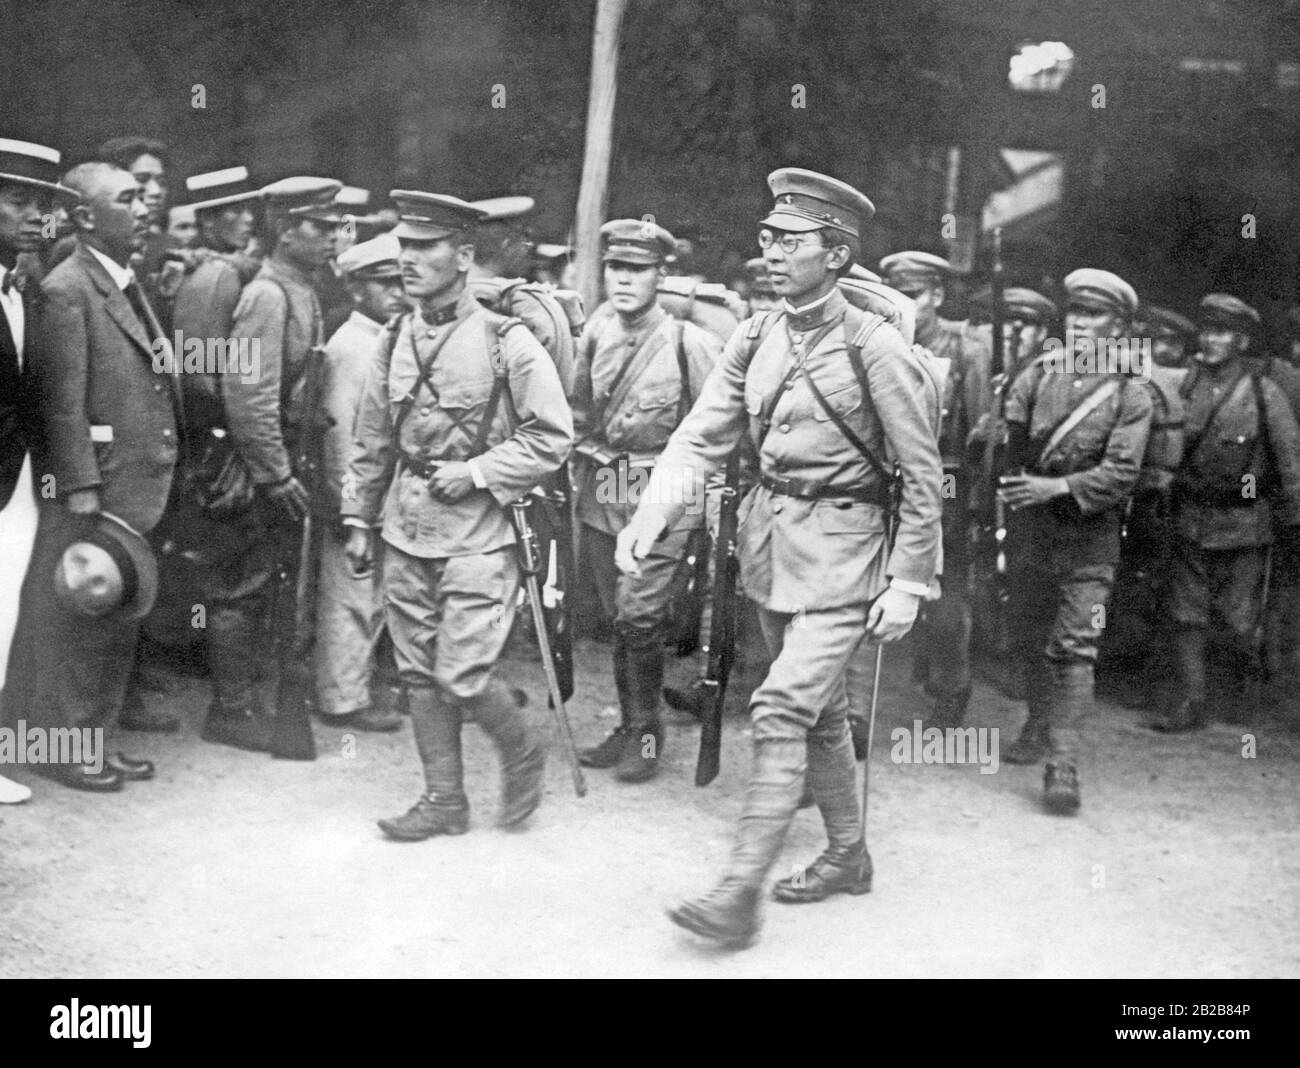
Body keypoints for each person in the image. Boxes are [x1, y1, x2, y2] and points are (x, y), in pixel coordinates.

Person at [616, 168, 942, 947]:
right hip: (769, 546)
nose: (769, 253)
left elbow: (925, 474)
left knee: (780, 706)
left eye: (788, 241)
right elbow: (700, 433)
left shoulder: (877, 347)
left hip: (848, 551)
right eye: (765, 238)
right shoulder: (758, 333)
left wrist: (909, 581)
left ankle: (737, 894)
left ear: (836, 253)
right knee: (822, 714)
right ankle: (848, 854)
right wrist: (652, 513)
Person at [342, 190, 573, 840]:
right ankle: (444, 799)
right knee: (418, 674)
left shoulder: (505, 340)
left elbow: (552, 437)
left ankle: (523, 749)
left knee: (463, 675)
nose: (408, 261)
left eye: (424, 248)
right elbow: (371, 439)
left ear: (464, 256)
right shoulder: (395, 336)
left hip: (477, 537)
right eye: (404, 247)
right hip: (405, 529)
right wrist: (359, 519)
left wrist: (476, 472)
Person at [6, 160, 179, 791]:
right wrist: (79, 483)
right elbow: (60, 400)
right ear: (83, 217)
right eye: (128, 198)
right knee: (82, 618)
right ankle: (69, 744)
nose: (144, 209)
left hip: (134, 481)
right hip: (99, 485)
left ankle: (96, 739)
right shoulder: (68, 287)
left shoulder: (121, 281)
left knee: (114, 620)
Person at [571, 218, 720, 783]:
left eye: (638, 270)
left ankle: (649, 732)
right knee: (618, 618)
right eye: (616, 267)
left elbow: (715, 431)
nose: (624, 280)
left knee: (639, 616)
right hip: (606, 490)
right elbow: (580, 413)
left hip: (666, 491)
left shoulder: (691, 342)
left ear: (663, 274)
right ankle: (632, 724)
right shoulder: (596, 334)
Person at [999, 269, 1153, 812]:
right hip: (1033, 535)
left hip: (1091, 539)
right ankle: (1039, 722)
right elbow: (1006, 441)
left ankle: (1062, 766)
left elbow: (1122, 474)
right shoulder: (1038, 375)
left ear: (1121, 326)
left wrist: (1054, 486)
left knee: (1074, 649)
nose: (1082, 324)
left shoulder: (1132, 392)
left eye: (1096, 315)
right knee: (1028, 637)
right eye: (1076, 314)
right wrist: (997, 437)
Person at [199, 176, 344, 751]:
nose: (333, 237)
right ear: (285, 230)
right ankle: (231, 710)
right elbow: (248, 394)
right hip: (260, 467)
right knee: (244, 585)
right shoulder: (268, 295)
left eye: (336, 226)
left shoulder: (302, 287)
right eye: (321, 226)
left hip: (289, 457)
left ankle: (260, 696)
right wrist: (275, 473)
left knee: (279, 585)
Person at [1147, 294, 1300, 731]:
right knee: (1186, 613)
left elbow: (1289, 460)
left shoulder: (1262, 391)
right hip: (1190, 515)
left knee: (1238, 618)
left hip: (1246, 523)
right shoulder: (1185, 384)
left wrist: (1293, 517)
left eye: (1223, 333)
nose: (1211, 340)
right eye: (1207, 331)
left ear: (1242, 340)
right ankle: (1192, 701)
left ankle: (1238, 695)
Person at [879, 251, 991, 727]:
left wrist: (976, 503)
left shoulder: (966, 351)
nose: (904, 305)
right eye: (896, 294)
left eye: (914, 295)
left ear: (938, 296)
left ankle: (951, 689)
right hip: (881, 480)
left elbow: (981, 435)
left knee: (944, 601)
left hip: (945, 487)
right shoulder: (877, 341)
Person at [0, 138, 80, 804]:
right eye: (20, 201)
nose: (37, 217)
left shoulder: (21, 288)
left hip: (16, 483)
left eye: (43, 205)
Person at [314, 232, 408, 732]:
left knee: (372, 597)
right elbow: (341, 439)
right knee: (349, 598)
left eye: (401, 282)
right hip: (354, 497)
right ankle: (342, 698)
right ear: (355, 290)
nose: (397, 292)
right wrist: (353, 513)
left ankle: (358, 687)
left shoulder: (383, 341)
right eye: (383, 283)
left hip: (379, 495)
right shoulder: (351, 347)